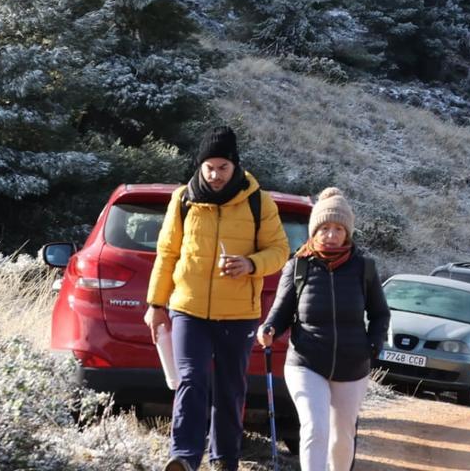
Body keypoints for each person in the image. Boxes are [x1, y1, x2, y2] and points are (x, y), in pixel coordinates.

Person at [145, 126, 291, 471]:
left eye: (222, 168)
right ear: (200, 165)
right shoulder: (183, 199)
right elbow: (167, 254)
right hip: (188, 309)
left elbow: (280, 250)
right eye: (209, 167)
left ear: (235, 165)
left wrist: (250, 264)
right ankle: (184, 457)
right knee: (190, 380)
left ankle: (224, 458)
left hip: (238, 314)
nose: (215, 175)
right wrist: (156, 305)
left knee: (230, 388)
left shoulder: (258, 201)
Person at [259, 187, 390, 471]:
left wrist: (373, 345)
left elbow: (380, 314)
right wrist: (268, 329)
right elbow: (280, 313)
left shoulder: (364, 268)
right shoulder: (298, 267)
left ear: (348, 233)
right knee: (315, 427)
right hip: (306, 362)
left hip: (352, 364)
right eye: (325, 228)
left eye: (338, 229)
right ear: (314, 230)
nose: (331, 235)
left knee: (342, 436)